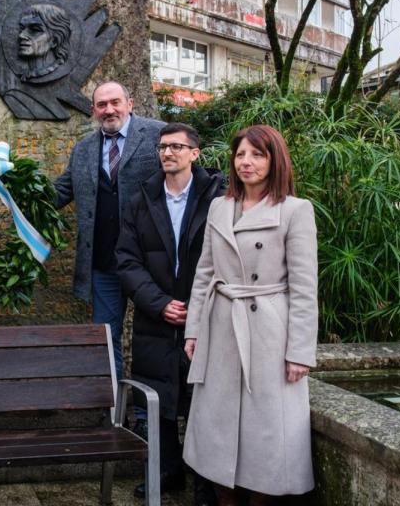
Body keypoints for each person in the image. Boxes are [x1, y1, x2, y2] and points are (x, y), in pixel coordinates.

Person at [182, 125, 318, 504]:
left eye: (257, 155)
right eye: (241, 154)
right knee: (217, 428)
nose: (247, 162)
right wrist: (193, 329)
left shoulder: (295, 211)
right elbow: (204, 272)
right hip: (221, 325)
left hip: (269, 331)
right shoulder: (219, 207)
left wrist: (300, 351)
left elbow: (305, 288)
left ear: (275, 160)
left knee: (267, 432)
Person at [115, 123, 222, 503]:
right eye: (162, 147)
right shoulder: (141, 199)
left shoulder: (219, 197)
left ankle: (206, 484)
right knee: (158, 405)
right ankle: (167, 473)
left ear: (195, 153)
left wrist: (198, 306)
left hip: (205, 318)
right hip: (156, 318)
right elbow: (126, 261)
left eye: (177, 146)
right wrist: (159, 303)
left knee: (202, 405)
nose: (167, 153)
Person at [54, 81, 165, 379]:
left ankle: (145, 418)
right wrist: (7, 188)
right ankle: (115, 411)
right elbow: (59, 193)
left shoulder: (159, 135)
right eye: (101, 105)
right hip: (105, 264)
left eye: (115, 102)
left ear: (130, 103)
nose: (109, 109)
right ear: (93, 111)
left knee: (154, 339)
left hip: (151, 263)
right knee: (105, 337)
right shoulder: (83, 150)